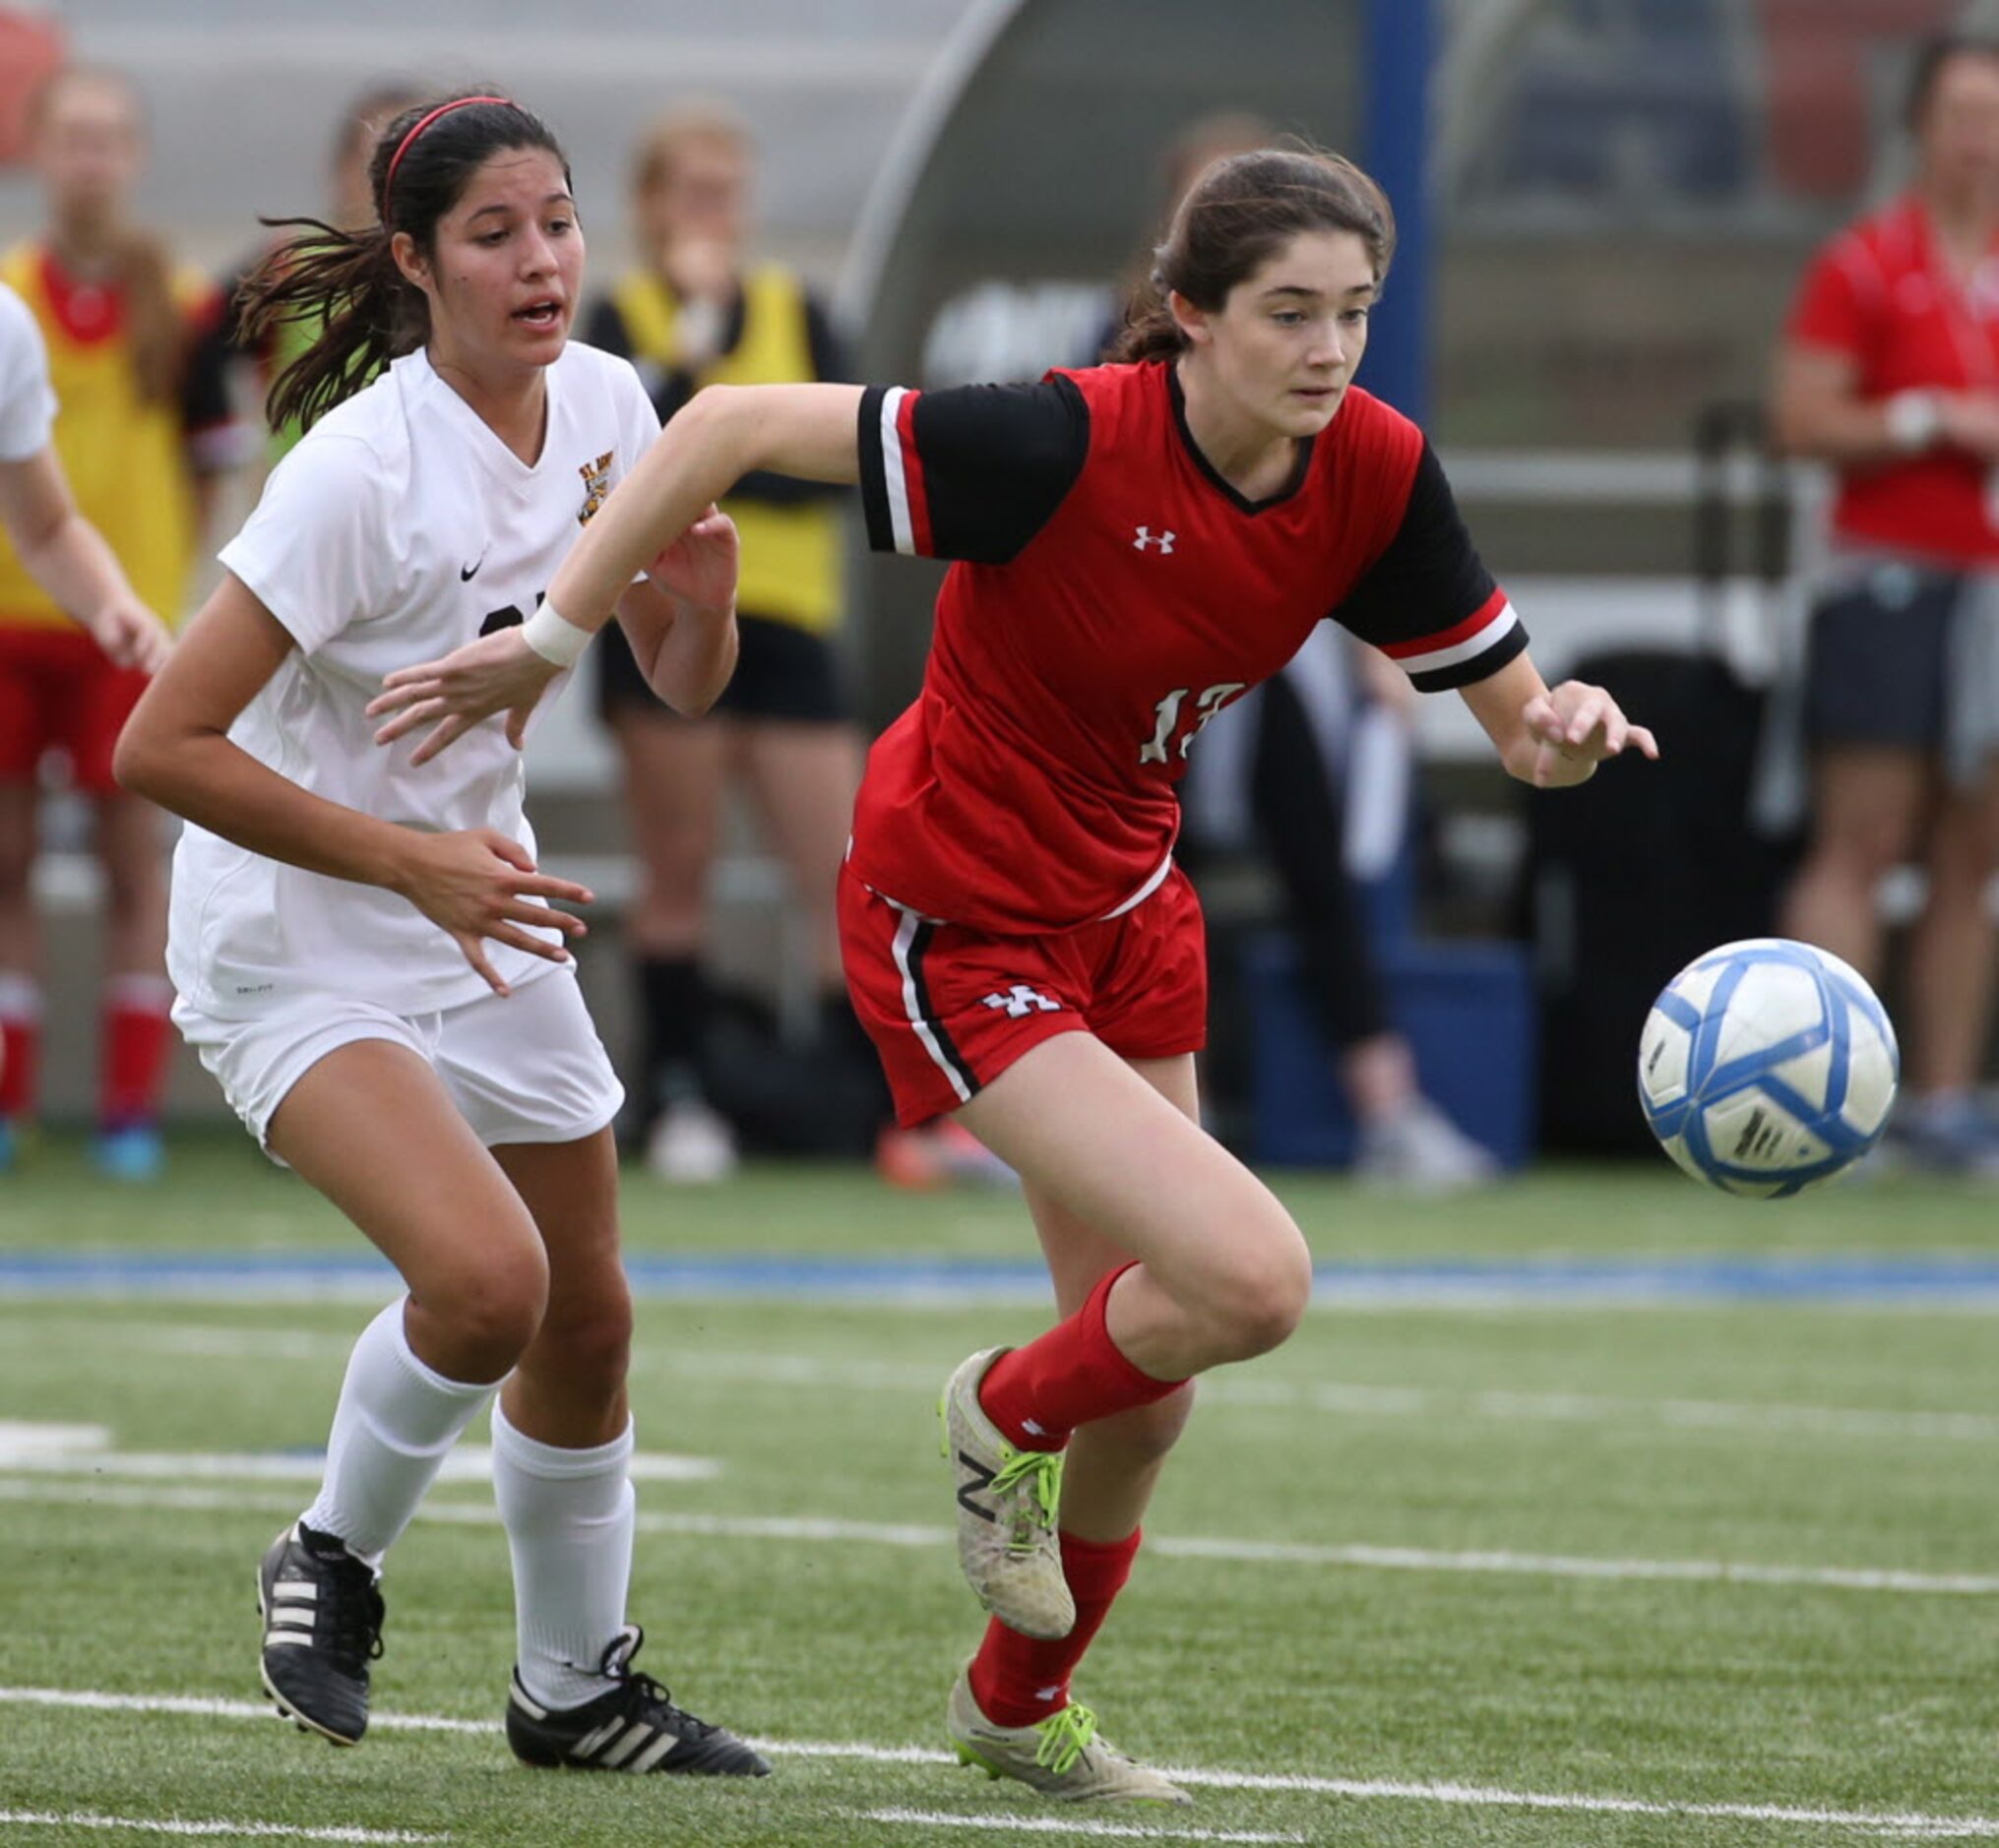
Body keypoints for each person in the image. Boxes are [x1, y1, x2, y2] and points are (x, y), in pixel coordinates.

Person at [368, 146, 1655, 1804]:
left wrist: (1562, 734)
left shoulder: (1374, 473)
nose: (1327, 348)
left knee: (1158, 1378)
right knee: (1253, 1278)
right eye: (1285, 312)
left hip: (1130, 910)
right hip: (958, 915)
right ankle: (994, 1411)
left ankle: (1014, 1704)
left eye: (1352, 311)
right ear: (1186, 313)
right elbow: (722, 427)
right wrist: (551, 641)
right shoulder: (1056, 439)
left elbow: (1515, 727)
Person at [113, 92, 765, 1779]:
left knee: (590, 1315)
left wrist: (699, 602)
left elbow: (680, 683)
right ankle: (329, 1552)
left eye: (556, 220)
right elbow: (161, 751)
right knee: (484, 1284)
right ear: (412, 260)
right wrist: (412, 865)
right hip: (296, 922)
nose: (543, 258)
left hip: (471, 893)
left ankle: (573, 1684)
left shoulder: (617, 403)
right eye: (495, 232)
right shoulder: (357, 472)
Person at [579, 102, 869, 1181]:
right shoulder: (621, 318)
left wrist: (718, 448)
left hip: (791, 623)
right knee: (679, 869)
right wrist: (701, 361)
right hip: (665, 624)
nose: (711, 213)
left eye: (726, 192)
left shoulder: (802, 311)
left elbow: (831, 462)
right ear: (652, 208)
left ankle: (874, 1100)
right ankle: (680, 1089)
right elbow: (627, 459)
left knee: (841, 873)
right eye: (689, 192)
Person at [0, 63, 236, 1178]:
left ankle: (129, 1110)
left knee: (133, 858)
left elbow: (204, 468)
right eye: (72, 138)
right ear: (39, 152)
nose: (89, 160)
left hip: (119, 616)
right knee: (5, 860)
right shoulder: (10, 295)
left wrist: (149, 586)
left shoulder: (182, 305)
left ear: (132, 158)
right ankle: (11, 1101)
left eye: (109, 139)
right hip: (7, 620)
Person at [1773, 31, 1999, 1173]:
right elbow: (1803, 419)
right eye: (1961, 113)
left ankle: (1948, 1107)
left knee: (1975, 850)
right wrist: (1929, 419)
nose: (1980, 139)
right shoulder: (1864, 263)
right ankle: (1826, 1097)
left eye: (1995, 116)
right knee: (1863, 835)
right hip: (1888, 583)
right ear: (1920, 124)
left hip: (1994, 592)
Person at [1181, 621, 1500, 1185]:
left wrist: (1380, 650)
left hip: (1266, 649)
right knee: (1141, 882)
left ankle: (1388, 1113)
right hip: (1154, 648)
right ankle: (1167, 1123)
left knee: (1324, 889)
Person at [223, 81, 429, 469]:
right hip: (307, 495)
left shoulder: (456, 279)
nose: (389, 188)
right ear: (341, 170)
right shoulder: (291, 266)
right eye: (376, 165)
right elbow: (203, 350)